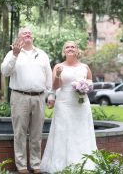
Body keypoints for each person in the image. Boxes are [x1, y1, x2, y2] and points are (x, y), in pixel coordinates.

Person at [1, 27, 53, 174]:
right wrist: (14, 55)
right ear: (19, 38)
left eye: (30, 33)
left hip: (39, 97)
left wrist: (50, 95)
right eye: (24, 33)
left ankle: (36, 165)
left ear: (32, 37)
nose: (28, 34)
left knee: (37, 133)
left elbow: (48, 77)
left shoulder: (42, 54)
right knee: (20, 133)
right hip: (19, 97)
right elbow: (5, 71)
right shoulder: (12, 53)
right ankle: (22, 166)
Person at [40, 41, 97, 173]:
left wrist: (84, 87)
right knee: (63, 132)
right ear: (64, 51)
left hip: (81, 104)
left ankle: (84, 163)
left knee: (81, 132)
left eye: (73, 47)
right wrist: (58, 75)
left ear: (77, 50)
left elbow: (91, 84)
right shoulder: (58, 67)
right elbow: (55, 87)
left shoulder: (85, 67)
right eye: (67, 47)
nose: (70, 49)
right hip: (64, 103)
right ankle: (62, 165)